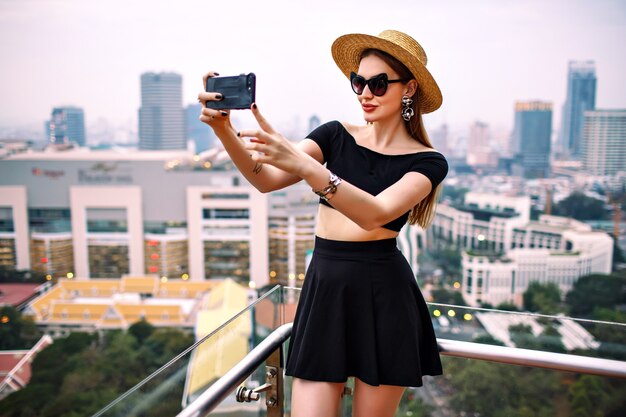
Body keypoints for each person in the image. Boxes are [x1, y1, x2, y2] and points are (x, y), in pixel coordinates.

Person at [199, 29, 447, 417]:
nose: (366, 92)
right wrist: (223, 130)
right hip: (325, 287)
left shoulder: (428, 161)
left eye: (379, 83)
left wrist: (306, 166)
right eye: (358, 81)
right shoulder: (335, 134)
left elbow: (376, 214)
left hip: (384, 293)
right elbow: (265, 178)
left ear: (409, 88)